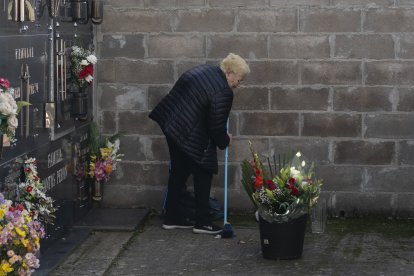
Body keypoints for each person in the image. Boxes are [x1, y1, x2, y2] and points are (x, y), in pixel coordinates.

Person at [149, 53, 250, 234]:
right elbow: (216, 125)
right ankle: (203, 222)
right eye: (238, 80)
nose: (238, 85)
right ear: (229, 73)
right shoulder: (223, 91)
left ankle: (172, 217)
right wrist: (225, 140)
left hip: (170, 123)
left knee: (179, 171)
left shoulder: (205, 70)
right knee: (204, 169)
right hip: (187, 130)